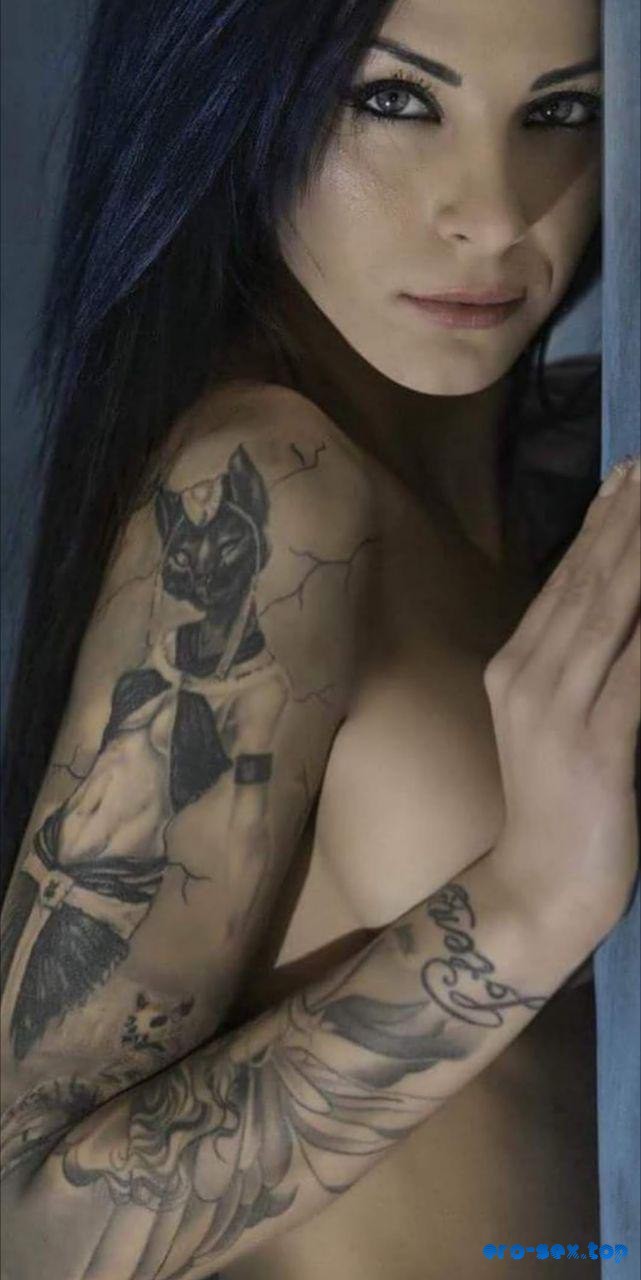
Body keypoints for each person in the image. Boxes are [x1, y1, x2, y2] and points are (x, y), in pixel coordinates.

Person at [1, 1, 638, 1278]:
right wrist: (527, 904)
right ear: (238, 109)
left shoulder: (572, 472)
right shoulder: (263, 501)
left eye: (560, 111)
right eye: (394, 100)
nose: (491, 213)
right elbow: (29, 1225)